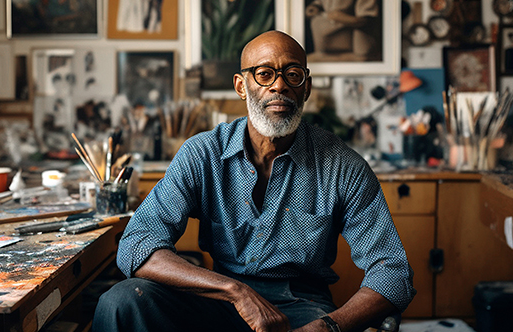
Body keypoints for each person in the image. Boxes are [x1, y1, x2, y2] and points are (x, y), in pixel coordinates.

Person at [94, 30, 415, 332]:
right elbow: (136, 245)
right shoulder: (202, 154)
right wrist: (234, 291)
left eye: (293, 75)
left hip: (300, 308)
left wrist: (330, 327)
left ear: (306, 86)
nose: (279, 86)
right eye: (264, 74)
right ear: (241, 85)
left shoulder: (343, 167)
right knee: (122, 302)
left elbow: (393, 273)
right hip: (217, 299)